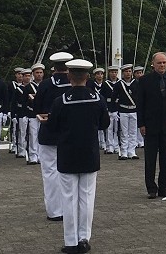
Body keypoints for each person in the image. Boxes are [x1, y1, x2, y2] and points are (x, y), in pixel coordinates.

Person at [47, 58, 109, 254]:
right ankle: (84, 238)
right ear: (87, 77)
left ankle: (71, 241)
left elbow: (53, 126)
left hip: (67, 154)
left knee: (68, 197)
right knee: (87, 197)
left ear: (69, 76)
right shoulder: (97, 99)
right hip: (89, 154)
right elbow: (104, 124)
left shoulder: (60, 101)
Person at [35, 51, 74, 222]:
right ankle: (69, 209)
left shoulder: (44, 85)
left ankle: (54, 210)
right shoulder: (76, 84)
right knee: (69, 174)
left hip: (49, 133)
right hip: (70, 133)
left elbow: (36, 108)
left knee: (50, 173)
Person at [136, 52, 166, 200]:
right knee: (150, 158)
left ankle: (164, 188)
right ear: (153, 64)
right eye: (159, 63)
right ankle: (151, 188)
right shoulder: (144, 81)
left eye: (164, 63)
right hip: (150, 125)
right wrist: (141, 123)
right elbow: (140, 104)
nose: (162, 65)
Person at [115, 64, 139, 160]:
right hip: (123, 110)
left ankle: (132, 151)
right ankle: (124, 151)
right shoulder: (119, 84)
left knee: (133, 132)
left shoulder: (136, 83)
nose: (128, 73)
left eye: (129, 71)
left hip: (134, 110)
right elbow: (114, 98)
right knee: (124, 132)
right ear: (123, 73)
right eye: (126, 71)